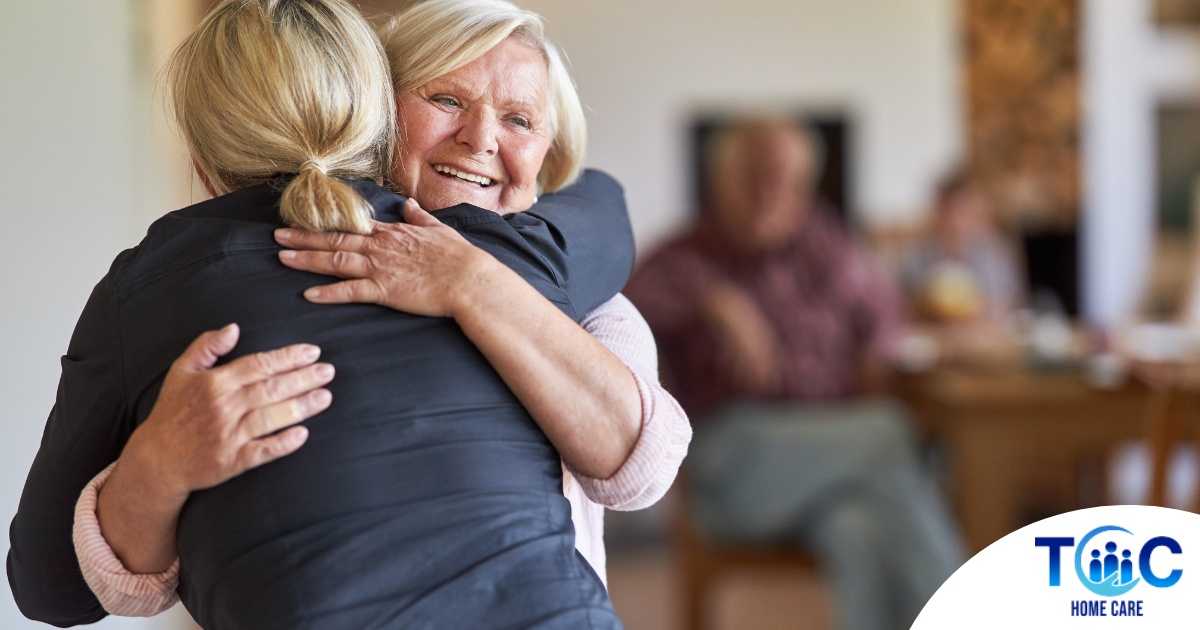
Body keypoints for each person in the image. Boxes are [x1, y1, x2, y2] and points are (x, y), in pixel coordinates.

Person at [9, 0, 689, 627]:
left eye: (520, 119)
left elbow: (642, 471)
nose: (482, 137)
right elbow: (606, 205)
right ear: (375, 117)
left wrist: (472, 283)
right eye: (446, 99)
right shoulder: (541, 252)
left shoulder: (556, 278)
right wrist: (156, 468)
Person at [625, 118, 963, 630]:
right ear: (720, 179)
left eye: (786, 180)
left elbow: (887, 319)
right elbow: (618, 306)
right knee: (890, 433)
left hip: (833, 464)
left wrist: (875, 350)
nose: (771, 194)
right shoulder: (684, 256)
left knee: (858, 526)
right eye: (755, 176)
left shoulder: (824, 244)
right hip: (734, 466)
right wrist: (714, 299)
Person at [901, 170, 1022, 325]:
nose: (955, 220)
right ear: (937, 213)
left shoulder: (995, 254)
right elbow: (903, 307)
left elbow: (1007, 304)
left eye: (963, 210)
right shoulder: (917, 257)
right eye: (948, 210)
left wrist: (978, 312)